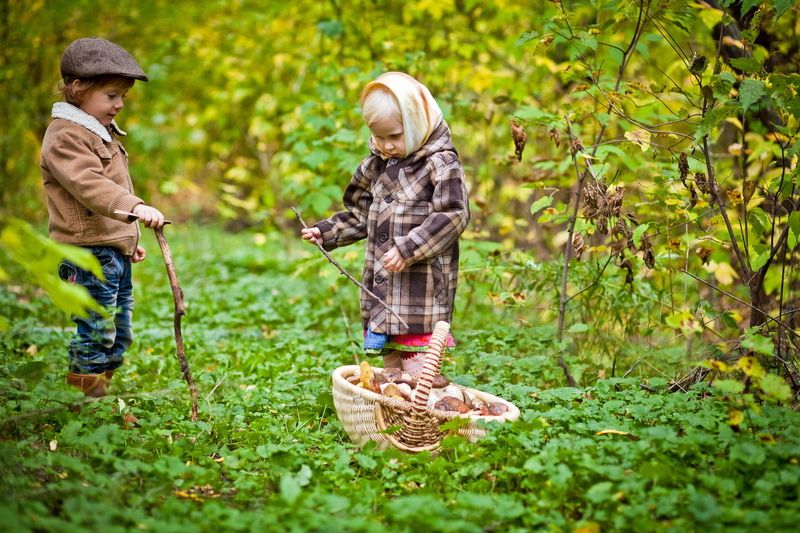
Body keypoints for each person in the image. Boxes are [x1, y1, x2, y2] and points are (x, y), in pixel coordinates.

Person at [302, 72, 469, 377]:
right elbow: (361, 214)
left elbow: (453, 215)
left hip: (421, 291)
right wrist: (327, 232)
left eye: (395, 136)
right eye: (379, 136)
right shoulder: (377, 165)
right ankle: (394, 419)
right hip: (383, 292)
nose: (387, 145)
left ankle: (425, 418)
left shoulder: (440, 163)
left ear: (418, 122)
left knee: (420, 372)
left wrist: (409, 248)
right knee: (392, 372)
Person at [40, 37, 165, 397]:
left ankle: (98, 394)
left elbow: (108, 191)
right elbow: (90, 185)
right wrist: (136, 207)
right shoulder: (65, 135)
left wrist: (127, 241)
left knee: (118, 331)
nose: (120, 104)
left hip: (108, 252)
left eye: (123, 96)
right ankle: (85, 403)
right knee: (96, 329)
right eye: (111, 95)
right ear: (78, 89)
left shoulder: (98, 131)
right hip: (86, 253)